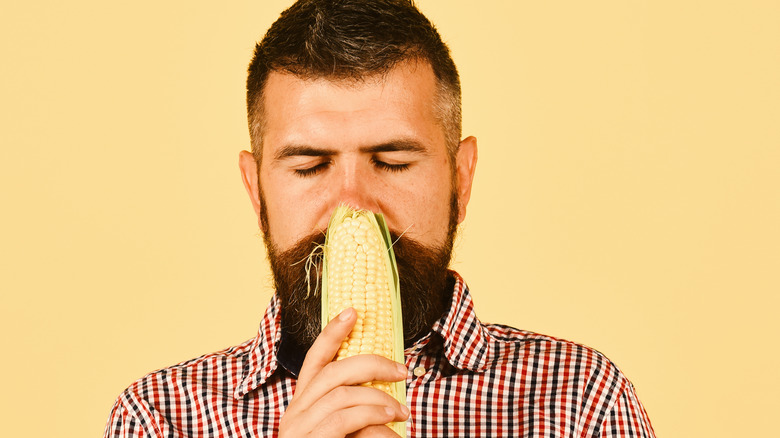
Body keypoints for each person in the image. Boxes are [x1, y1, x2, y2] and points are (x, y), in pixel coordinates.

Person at [104, 1, 655, 436]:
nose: (354, 204)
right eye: (310, 166)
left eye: (392, 162)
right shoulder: (158, 418)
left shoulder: (581, 404)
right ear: (256, 189)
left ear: (461, 178)